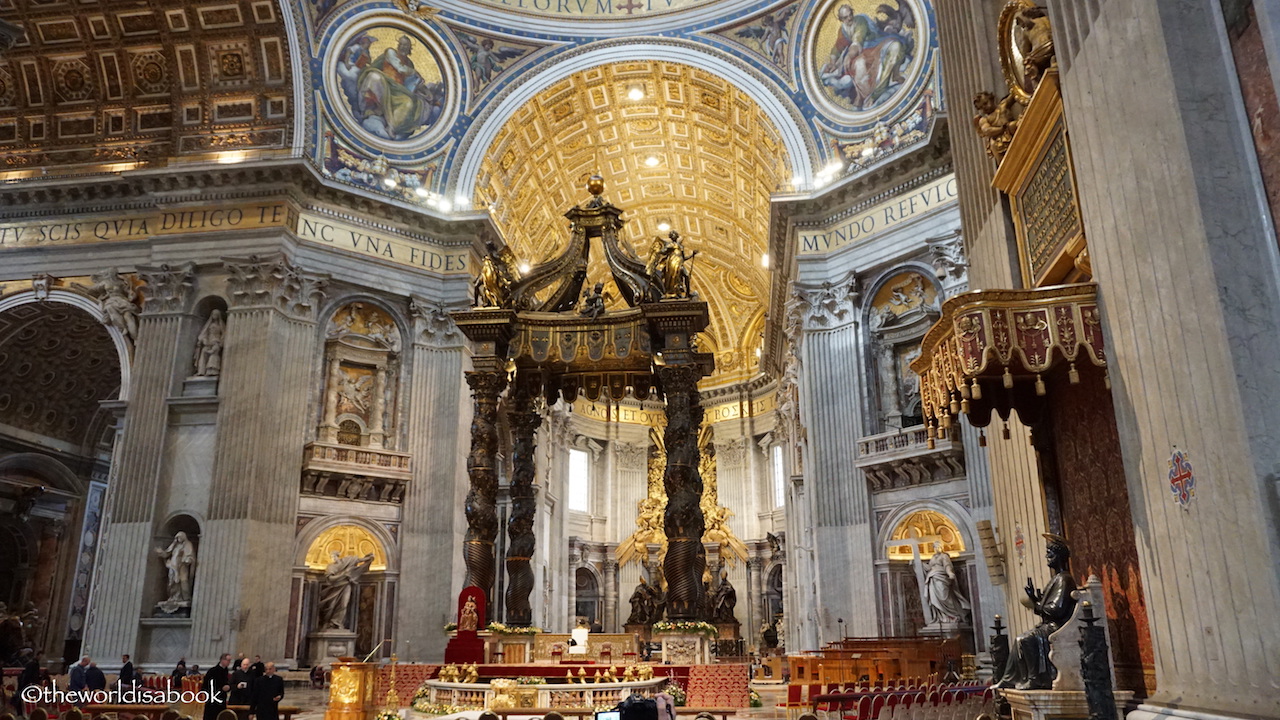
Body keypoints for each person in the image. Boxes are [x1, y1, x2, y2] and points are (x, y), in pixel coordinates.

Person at [994, 534, 1078, 690]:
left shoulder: (1064, 580)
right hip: (1049, 624)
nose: (1047, 557)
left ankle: (1035, 680)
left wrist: (1036, 604)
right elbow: (1047, 606)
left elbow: (1056, 610)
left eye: (1050, 554)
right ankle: (1009, 679)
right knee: (1019, 640)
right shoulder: (1056, 579)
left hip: (1058, 627)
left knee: (1026, 639)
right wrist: (1034, 597)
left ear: (1059, 556)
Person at [202, 653, 232, 720]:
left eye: (230, 660)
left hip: (221, 699)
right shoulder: (213, 671)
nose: (229, 662)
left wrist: (228, 687)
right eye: (228, 660)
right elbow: (207, 685)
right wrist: (221, 688)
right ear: (222, 660)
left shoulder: (225, 670)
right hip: (213, 699)